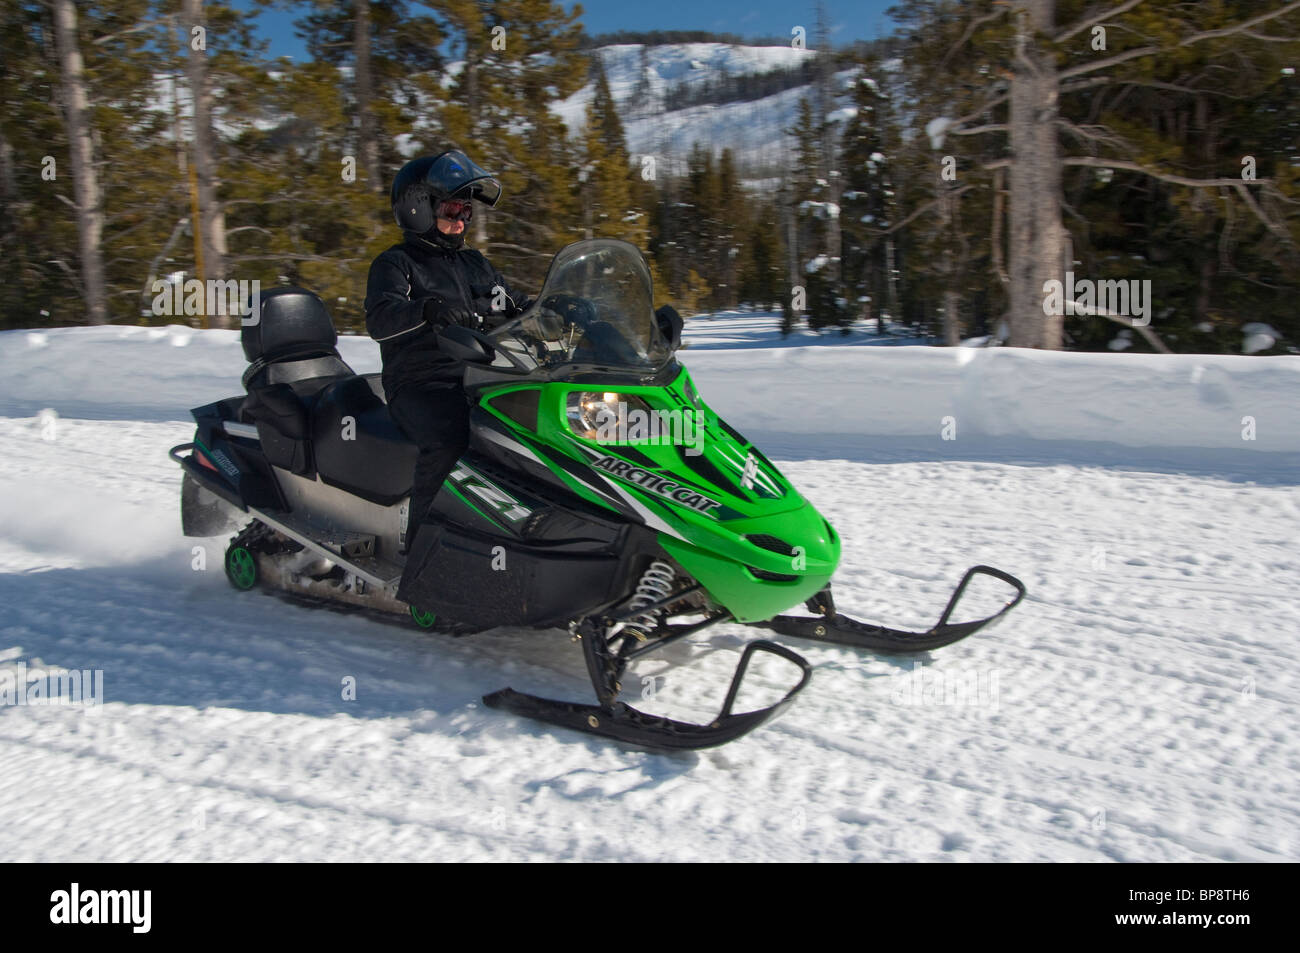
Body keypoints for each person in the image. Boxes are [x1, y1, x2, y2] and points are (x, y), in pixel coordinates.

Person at [365, 150, 530, 552]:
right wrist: (428, 310)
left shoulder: (476, 264)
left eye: (466, 210)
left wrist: (568, 311)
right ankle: (424, 555)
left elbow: (517, 305)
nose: (460, 218)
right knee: (451, 439)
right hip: (423, 383)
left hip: (485, 377)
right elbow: (381, 319)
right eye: (452, 207)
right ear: (418, 208)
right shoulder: (396, 263)